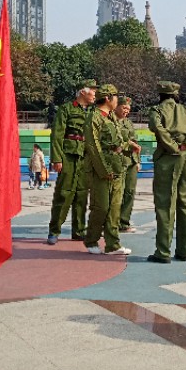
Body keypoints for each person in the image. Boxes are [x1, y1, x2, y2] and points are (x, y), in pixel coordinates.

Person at [147, 82, 186, 263]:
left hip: (168, 157)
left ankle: (163, 252)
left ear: (161, 95)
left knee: (165, 203)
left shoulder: (157, 111)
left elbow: (156, 127)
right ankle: (185, 251)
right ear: (175, 94)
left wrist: (172, 146)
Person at [82, 84, 131, 256]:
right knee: (101, 207)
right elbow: (93, 146)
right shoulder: (94, 117)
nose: (117, 100)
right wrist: (104, 170)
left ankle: (112, 245)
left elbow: (116, 142)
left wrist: (128, 146)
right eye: (116, 97)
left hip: (117, 168)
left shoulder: (111, 118)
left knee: (115, 208)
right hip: (101, 171)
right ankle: (91, 240)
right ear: (109, 98)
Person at [46, 79, 97, 244]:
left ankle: (79, 230)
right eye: (93, 91)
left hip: (84, 157)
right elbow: (57, 135)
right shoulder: (66, 109)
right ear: (83, 92)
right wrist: (56, 158)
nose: (95, 95)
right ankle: (54, 231)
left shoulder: (91, 112)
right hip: (68, 156)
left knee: (82, 195)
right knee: (63, 194)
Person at [116, 95, 141, 233]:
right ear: (116, 106)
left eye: (128, 109)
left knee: (129, 192)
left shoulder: (128, 123)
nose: (126, 111)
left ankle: (124, 222)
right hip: (118, 161)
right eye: (124, 107)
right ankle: (111, 222)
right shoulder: (111, 121)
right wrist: (129, 145)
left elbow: (135, 142)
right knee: (116, 194)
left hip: (130, 161)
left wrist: (137, 161)